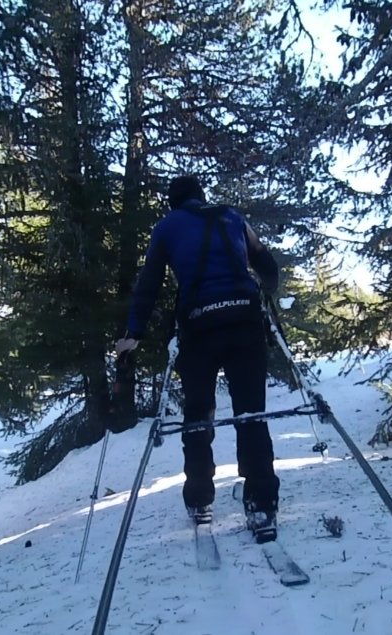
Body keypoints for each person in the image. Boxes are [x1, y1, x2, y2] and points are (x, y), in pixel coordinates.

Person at [115, 176, 281, 543]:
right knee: (251, 414)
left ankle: (200, 500)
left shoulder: (166, 228)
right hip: (244, 321)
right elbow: (268, 269)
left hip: (198, 327)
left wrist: (133, 335)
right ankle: (262, 503)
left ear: (173, 203)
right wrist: (265, 288)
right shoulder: (233, 217)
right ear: (202, 197)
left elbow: (149, 283)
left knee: (198, 415)